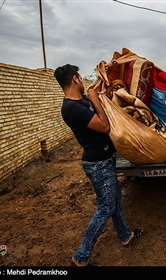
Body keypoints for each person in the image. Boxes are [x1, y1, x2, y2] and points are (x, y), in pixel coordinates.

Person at [54, 64, 143, 266]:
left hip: (104, 159)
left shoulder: (80, 101)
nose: (83, 81)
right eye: (80, 77)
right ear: (76, 79)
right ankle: (81, 256)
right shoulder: (72, 108)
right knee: (105, 207)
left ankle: (125, 235)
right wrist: (94, 99)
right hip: (97, 163)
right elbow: (104, 126)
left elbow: (100, 96)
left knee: (116, 198)